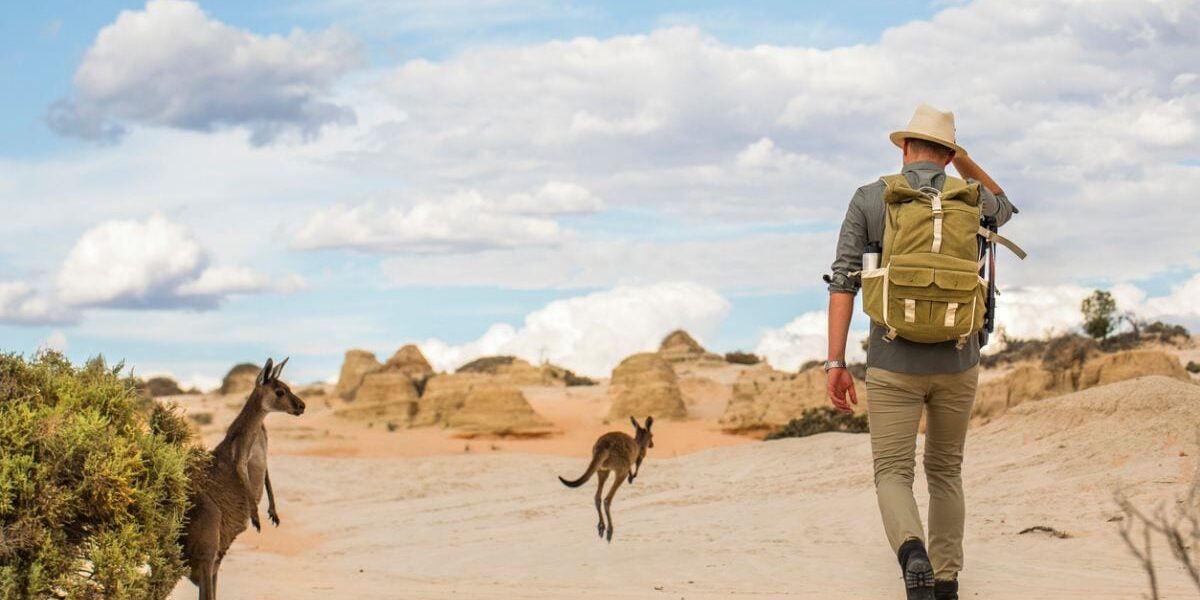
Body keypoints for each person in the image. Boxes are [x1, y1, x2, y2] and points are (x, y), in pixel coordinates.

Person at [823, 104, 1016, 600]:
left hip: (892, 361)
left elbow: (843, 282)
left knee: (893, 471)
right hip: (958, 359)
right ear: (950, 155)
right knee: (946, 471)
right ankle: (947, 581)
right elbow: (1007, 204)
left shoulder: (871, 198)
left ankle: (913, 553)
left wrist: (836, 362)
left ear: (905, 148)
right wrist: (965, 161)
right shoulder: (973, 199)